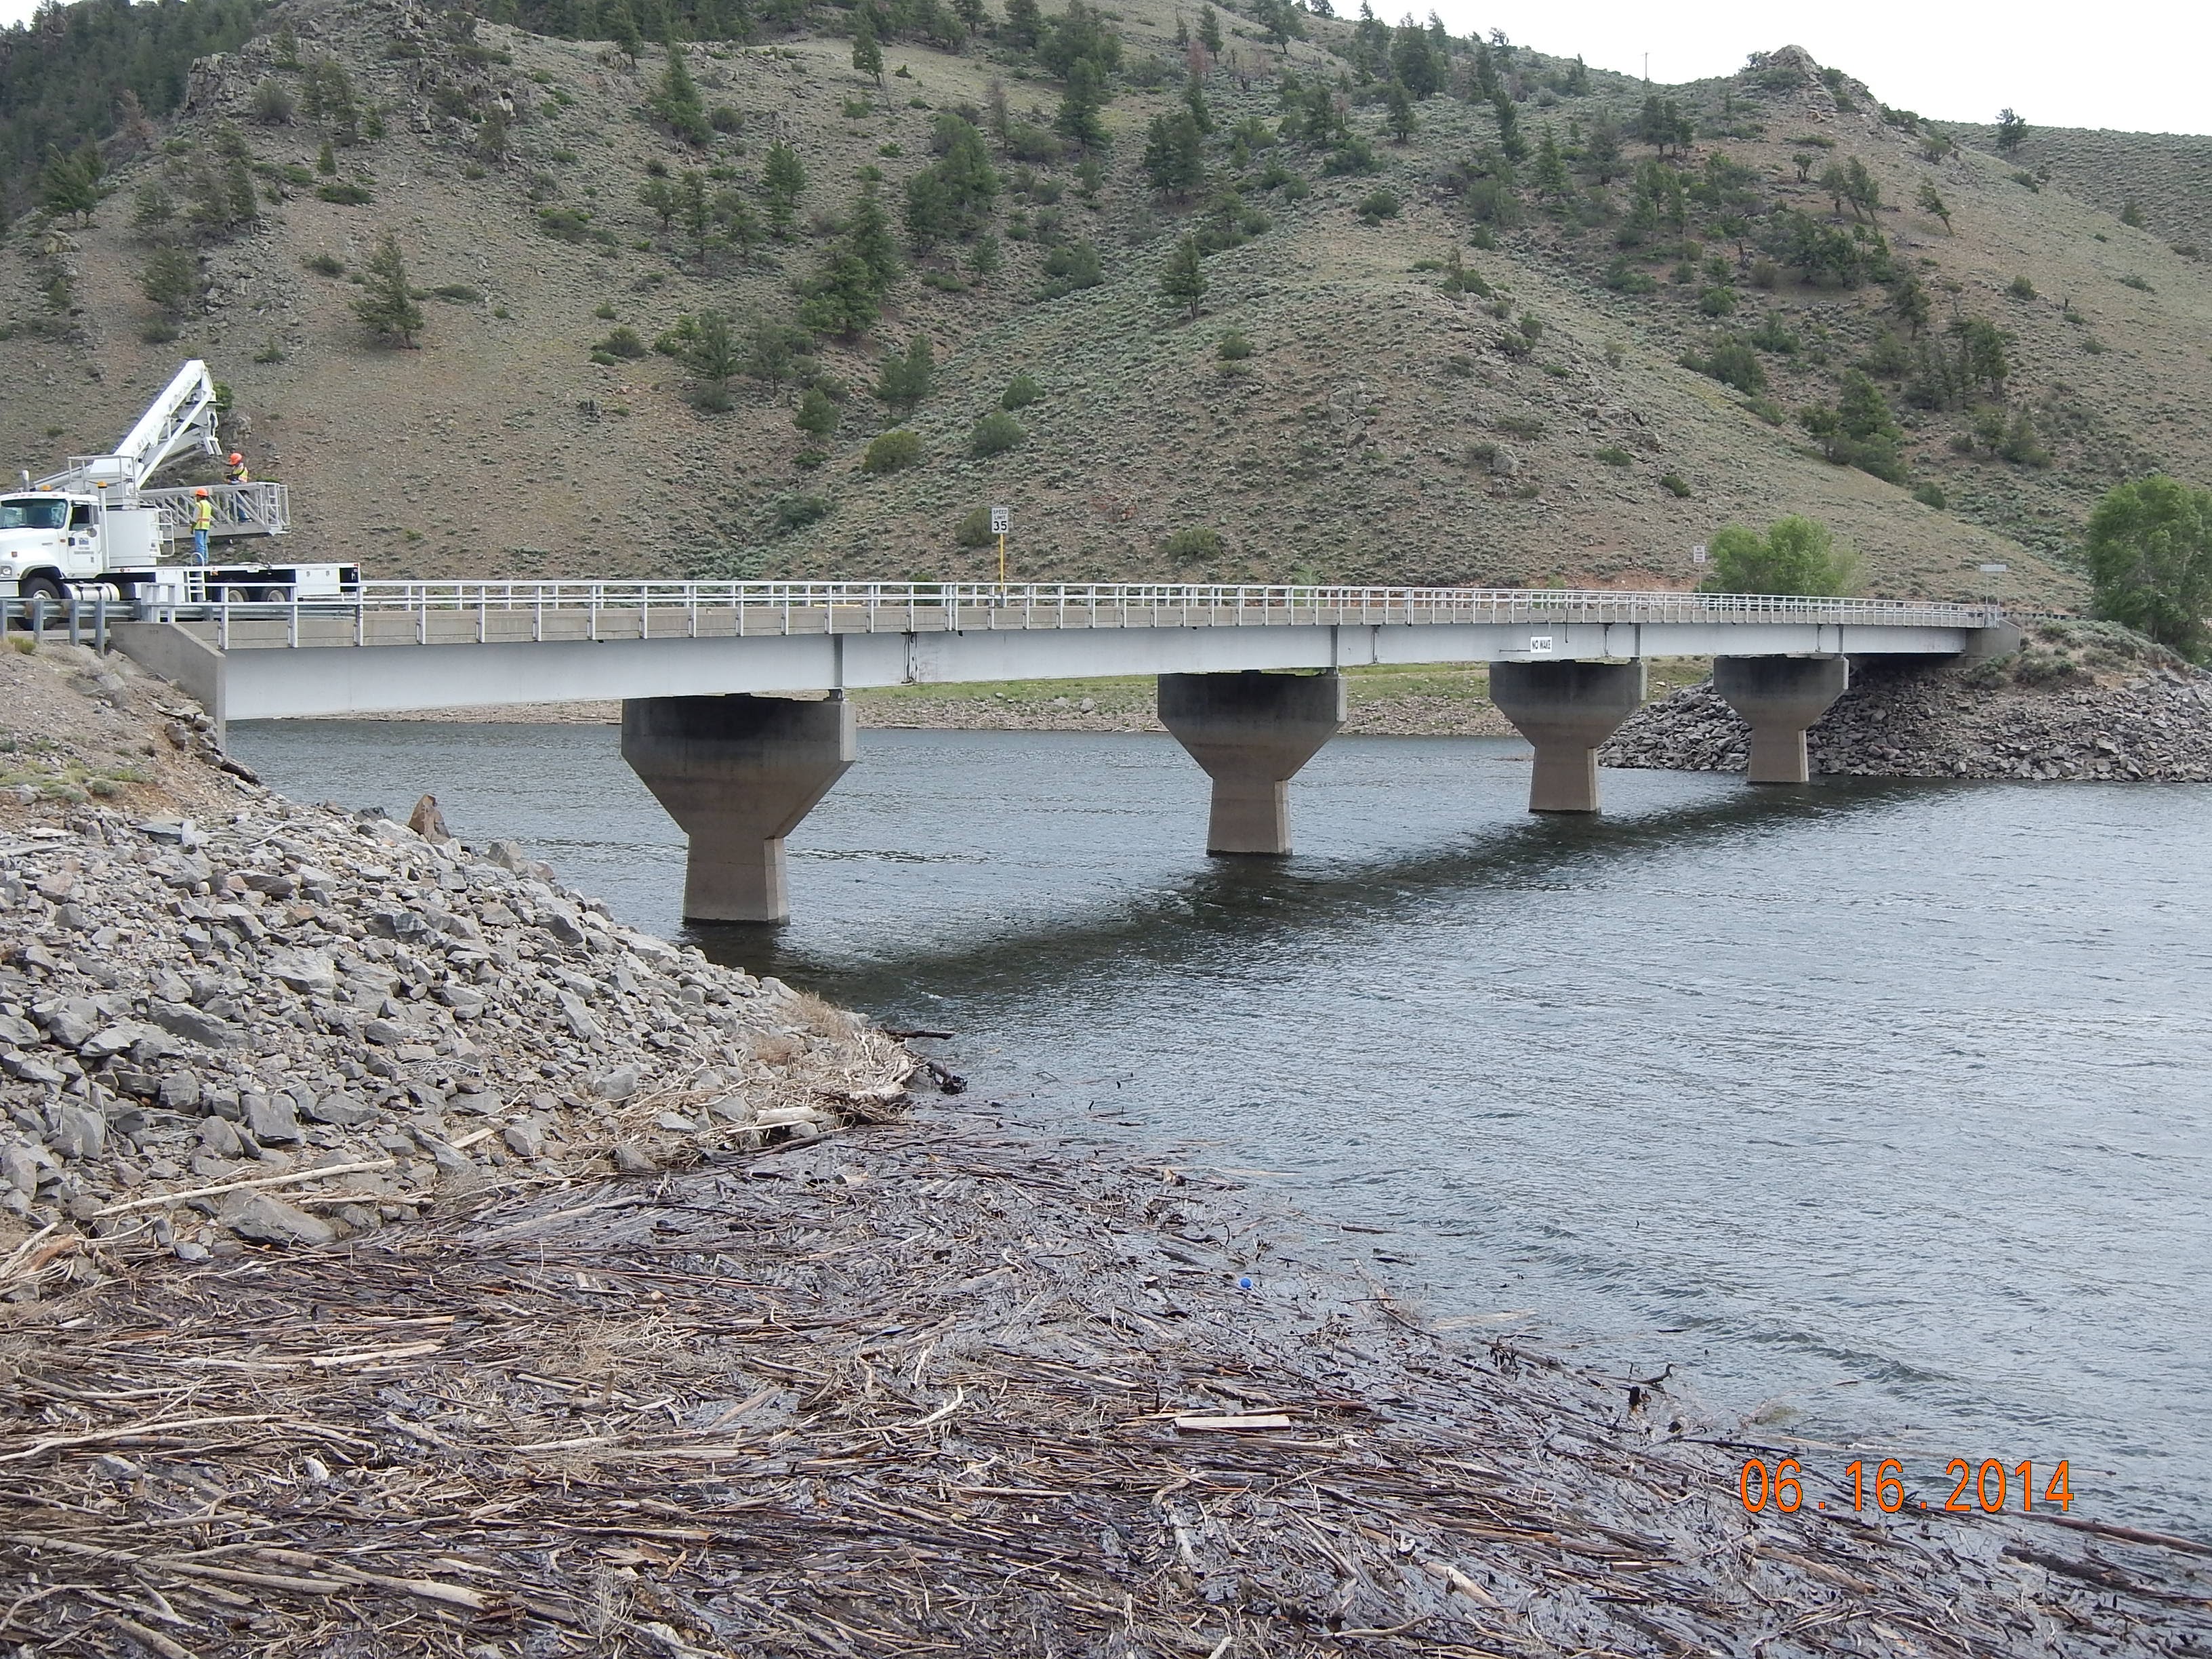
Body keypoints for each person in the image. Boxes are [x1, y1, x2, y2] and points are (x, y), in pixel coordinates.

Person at [190, 488, 213, 566]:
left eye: (197, 496)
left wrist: (192, 528)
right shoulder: (208, 505)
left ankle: (201, 561)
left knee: (200, 545)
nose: (196, 498)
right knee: (204, 544)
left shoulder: (199, 505)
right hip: (206, 526)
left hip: (199, 526)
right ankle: (206, 561)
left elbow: (195, 518)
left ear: (200, 496)